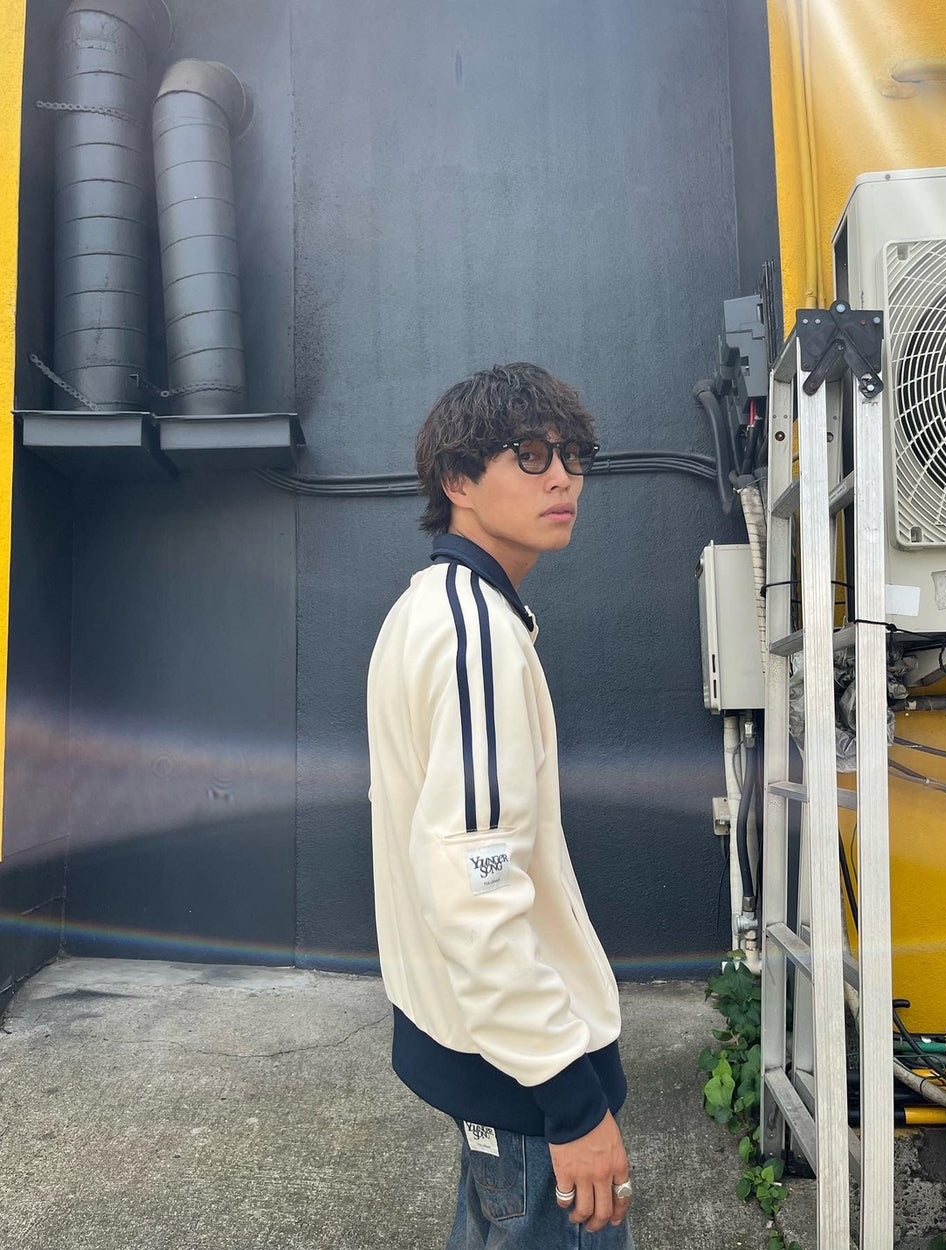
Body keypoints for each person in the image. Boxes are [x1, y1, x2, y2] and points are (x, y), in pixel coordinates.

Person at [367, 363, 635, 1248]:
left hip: (480, 1047)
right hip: (522, 1073)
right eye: (529, 455)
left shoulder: (430, 609)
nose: (563, 478)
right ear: (457, 480)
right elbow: (475, 886)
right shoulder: (474, 630)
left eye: (573, 455)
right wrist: (573, 1103)